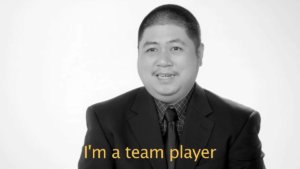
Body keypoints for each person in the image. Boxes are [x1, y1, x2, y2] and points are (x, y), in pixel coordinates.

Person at [78, 4, 265, 169]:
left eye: (175, 48)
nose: (163, 61)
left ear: (199, 54)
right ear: (138, 54)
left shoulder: (238, 123)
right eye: (152, 49)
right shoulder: (105, 120)